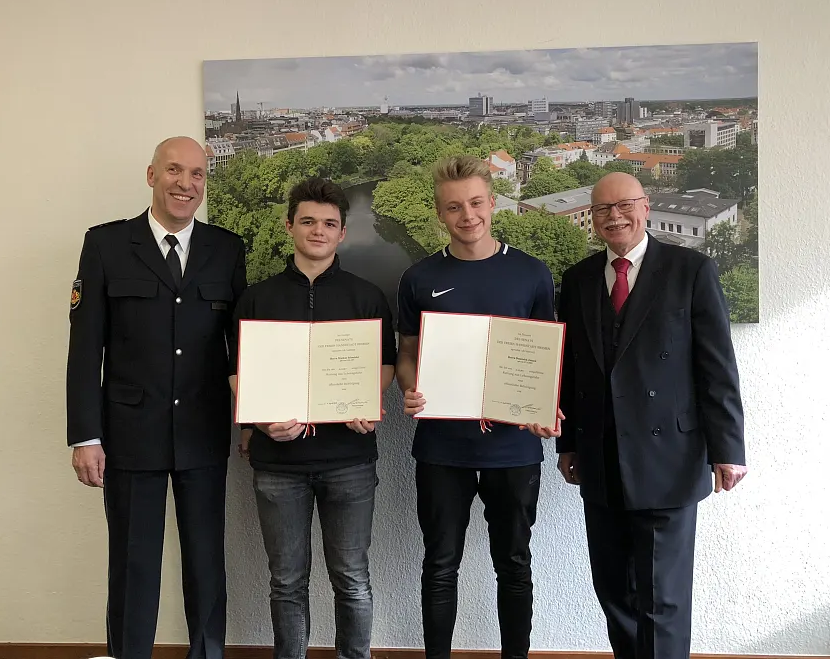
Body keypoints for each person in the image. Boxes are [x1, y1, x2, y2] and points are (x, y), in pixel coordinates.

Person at [66, 136, 247, 659]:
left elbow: (241, 347)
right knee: (133, 561)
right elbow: (85, 349)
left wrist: (252, 421)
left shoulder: (226, 249)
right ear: (151, 176)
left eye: (196, 174)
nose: (185, 184)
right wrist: (85, 435)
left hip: (204, 429)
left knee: (206, 560)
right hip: (128, 434)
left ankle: (207, 654)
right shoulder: (105, 244)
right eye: (174, 171)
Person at [555, 172, 747, 659]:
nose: (613, 216)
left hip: (670, 459)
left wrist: (729, 451)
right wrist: (568, 444)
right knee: (614, 594)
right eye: (602, 209)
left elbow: (717, 368)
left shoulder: (691, 270)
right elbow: (571, 368)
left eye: (624, 205)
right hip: (600, 461)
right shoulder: (577, 280)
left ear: (646, 207)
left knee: (662, 600)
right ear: (592, 218)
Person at [395, 155, 561, 659]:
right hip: (443, 447)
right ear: (440, 214)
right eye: (454, 208)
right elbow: (406, 353)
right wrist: (409, 387)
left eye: (475, 203)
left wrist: (544, 405)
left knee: (513, 562)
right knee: (440, 562)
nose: (467, 216)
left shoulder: (531, 273)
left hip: (513, 449)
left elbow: (545, 359)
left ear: (492, 203)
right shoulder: (418, 277)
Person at [229, 177, 397, 659]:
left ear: (342, 232)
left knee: (352, 577)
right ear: (289, 226)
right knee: (285, 580)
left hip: (349, 459)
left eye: (329, 223)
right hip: (278, 464)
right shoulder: (257, 299)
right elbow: (237, 372)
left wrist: (367, 400)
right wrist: (258, 422)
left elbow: (384, 364)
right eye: (308, 221)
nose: (318, 231)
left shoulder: (367, 296)